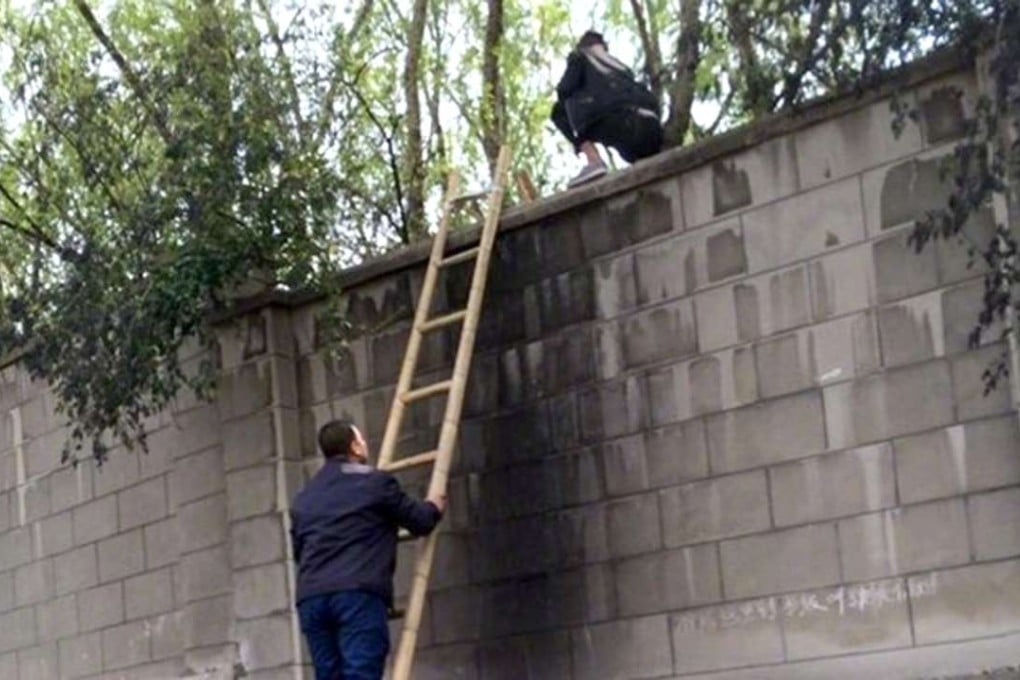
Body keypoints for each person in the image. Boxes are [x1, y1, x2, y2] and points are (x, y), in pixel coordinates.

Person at [290, 420, 446, 680]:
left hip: (312, 597)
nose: (365, 444)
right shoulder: (376, 483)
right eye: (361, 439)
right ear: (354, 447)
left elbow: (299, 551)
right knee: (361, 673)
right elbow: (419, 521)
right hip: (356, 593)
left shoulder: (304, 497)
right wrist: (433, 507)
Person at [551, 30, 664, 187]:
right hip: (652, 131)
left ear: (583, 46)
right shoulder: (622, 69)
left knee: (559, 111)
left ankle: (594, 161)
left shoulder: (580, 57)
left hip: (621, 123)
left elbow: (564, 89)